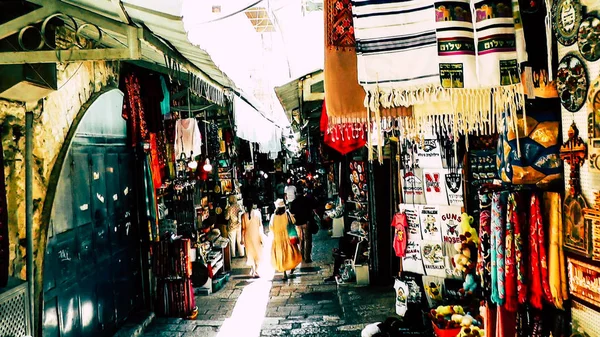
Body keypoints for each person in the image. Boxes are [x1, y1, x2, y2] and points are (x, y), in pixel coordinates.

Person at [270, 199, 302, 280]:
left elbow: (271, 228)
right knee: (291, 254)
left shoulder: (273, 216)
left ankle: (284, 274)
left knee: (281, 256)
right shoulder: (287, 214)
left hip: (277, 240)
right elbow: (294, 221)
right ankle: (292, 268)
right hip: (288, 238)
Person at [290, 187, 315, 263]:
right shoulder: (307, 200)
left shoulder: (294, 202)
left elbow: (292, 213)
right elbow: (311, 210)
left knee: (301, 240)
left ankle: (301, 256)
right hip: (306, 222)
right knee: (308, 240)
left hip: (298, 224)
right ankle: (307, 257)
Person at [241, 200, 263, 278]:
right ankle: (256, 270)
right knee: (257, 253)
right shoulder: (258, 213)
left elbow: (243, 229)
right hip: (256, 235)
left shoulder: (243, 215)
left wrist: (242, 239)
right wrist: (262, 237)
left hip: (248, 237)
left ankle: (253, 269)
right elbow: (260, 226)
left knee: (250, 253)